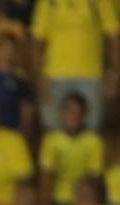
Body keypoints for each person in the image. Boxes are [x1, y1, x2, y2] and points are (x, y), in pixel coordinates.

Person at [29, 0, 119, 132]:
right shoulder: (48, 2)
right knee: (53, 131)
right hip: (53, 77)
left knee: (91, 131)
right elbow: (37, 40)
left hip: (91, 77)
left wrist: (114, 75)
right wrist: (38, 77)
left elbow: (113, 36)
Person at [37, 92, 104, 205]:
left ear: (85, 115)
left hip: (83, 203)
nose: (74, 117)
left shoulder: (94, 141)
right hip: (57, 201)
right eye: (70, 112)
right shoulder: (51, 140)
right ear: (62, 113)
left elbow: (94, 178)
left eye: (78, 113)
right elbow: (47, 176)